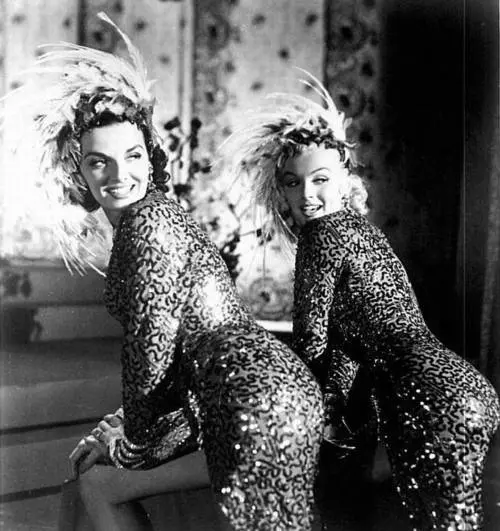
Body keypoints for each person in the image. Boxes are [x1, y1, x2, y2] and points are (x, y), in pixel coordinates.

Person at [1, 14, 325, 531]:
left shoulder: (147, 224)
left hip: (250, 407)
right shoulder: (159, 217)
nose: (119, 174)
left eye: (132, 156)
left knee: (97, 482)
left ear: (151, 159)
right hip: (265, 396)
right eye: (99, 162)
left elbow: (150, 348)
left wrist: (131, 442)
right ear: (78, 171)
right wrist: (132, 425)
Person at [220, 72, 500, 530]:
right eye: (292, 183)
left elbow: (312, 342)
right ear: (281, 189)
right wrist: (336, 399)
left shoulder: (321, 237)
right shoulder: (364, 232)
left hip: (427, 393)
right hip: (466, 385)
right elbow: (352, 341)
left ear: (345, 178)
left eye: (320, 179)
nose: (307, 195)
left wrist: (306, 406)